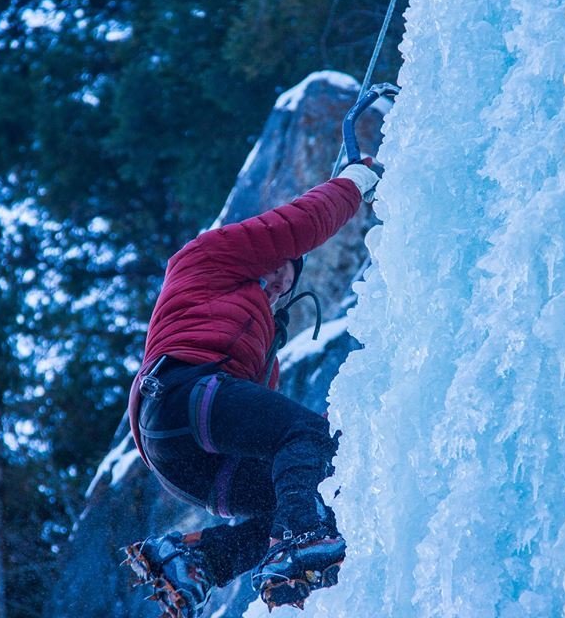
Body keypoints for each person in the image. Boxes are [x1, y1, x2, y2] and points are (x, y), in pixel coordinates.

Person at [122, 159, 380, 618]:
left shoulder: (259, 352)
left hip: (180, 457)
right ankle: (300, 537)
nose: (282, 279)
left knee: (288, 494)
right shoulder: (207, 257)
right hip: (182, 392)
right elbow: (298, 224)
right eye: (280, 265)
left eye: (290, 278)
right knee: (302, 438)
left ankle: (195, 560)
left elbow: (271, 441)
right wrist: (354, 182)